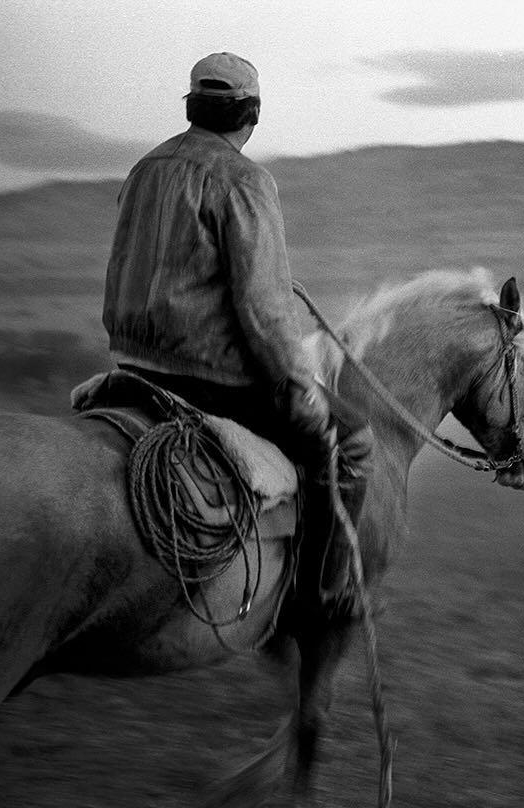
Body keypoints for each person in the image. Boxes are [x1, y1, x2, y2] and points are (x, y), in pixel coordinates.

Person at [102, 52, 372, 606]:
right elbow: (265, 311)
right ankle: (321, 595)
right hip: (208, 379)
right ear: (252, 113)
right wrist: (300, 390)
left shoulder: (144, 169)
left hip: (131, 367)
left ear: (192, 108)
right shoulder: (244, 180)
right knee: (355, 445)